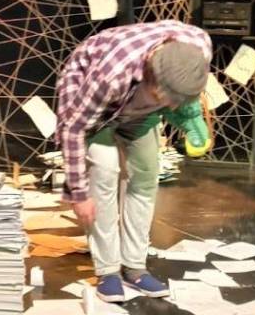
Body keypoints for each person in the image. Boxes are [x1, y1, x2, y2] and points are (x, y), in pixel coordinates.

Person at [56, 20, 212, 302]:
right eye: (166, 98)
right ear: (149, 77)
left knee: (145, 175)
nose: (172, 106)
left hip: (141, 112)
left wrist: (190, 119)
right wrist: (77, 192)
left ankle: (135, 266)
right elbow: (73, 128)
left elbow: (185, 100)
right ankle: (108, 271)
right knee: (103, 173)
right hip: (95, 106)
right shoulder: (110, 76)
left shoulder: (200, 47)